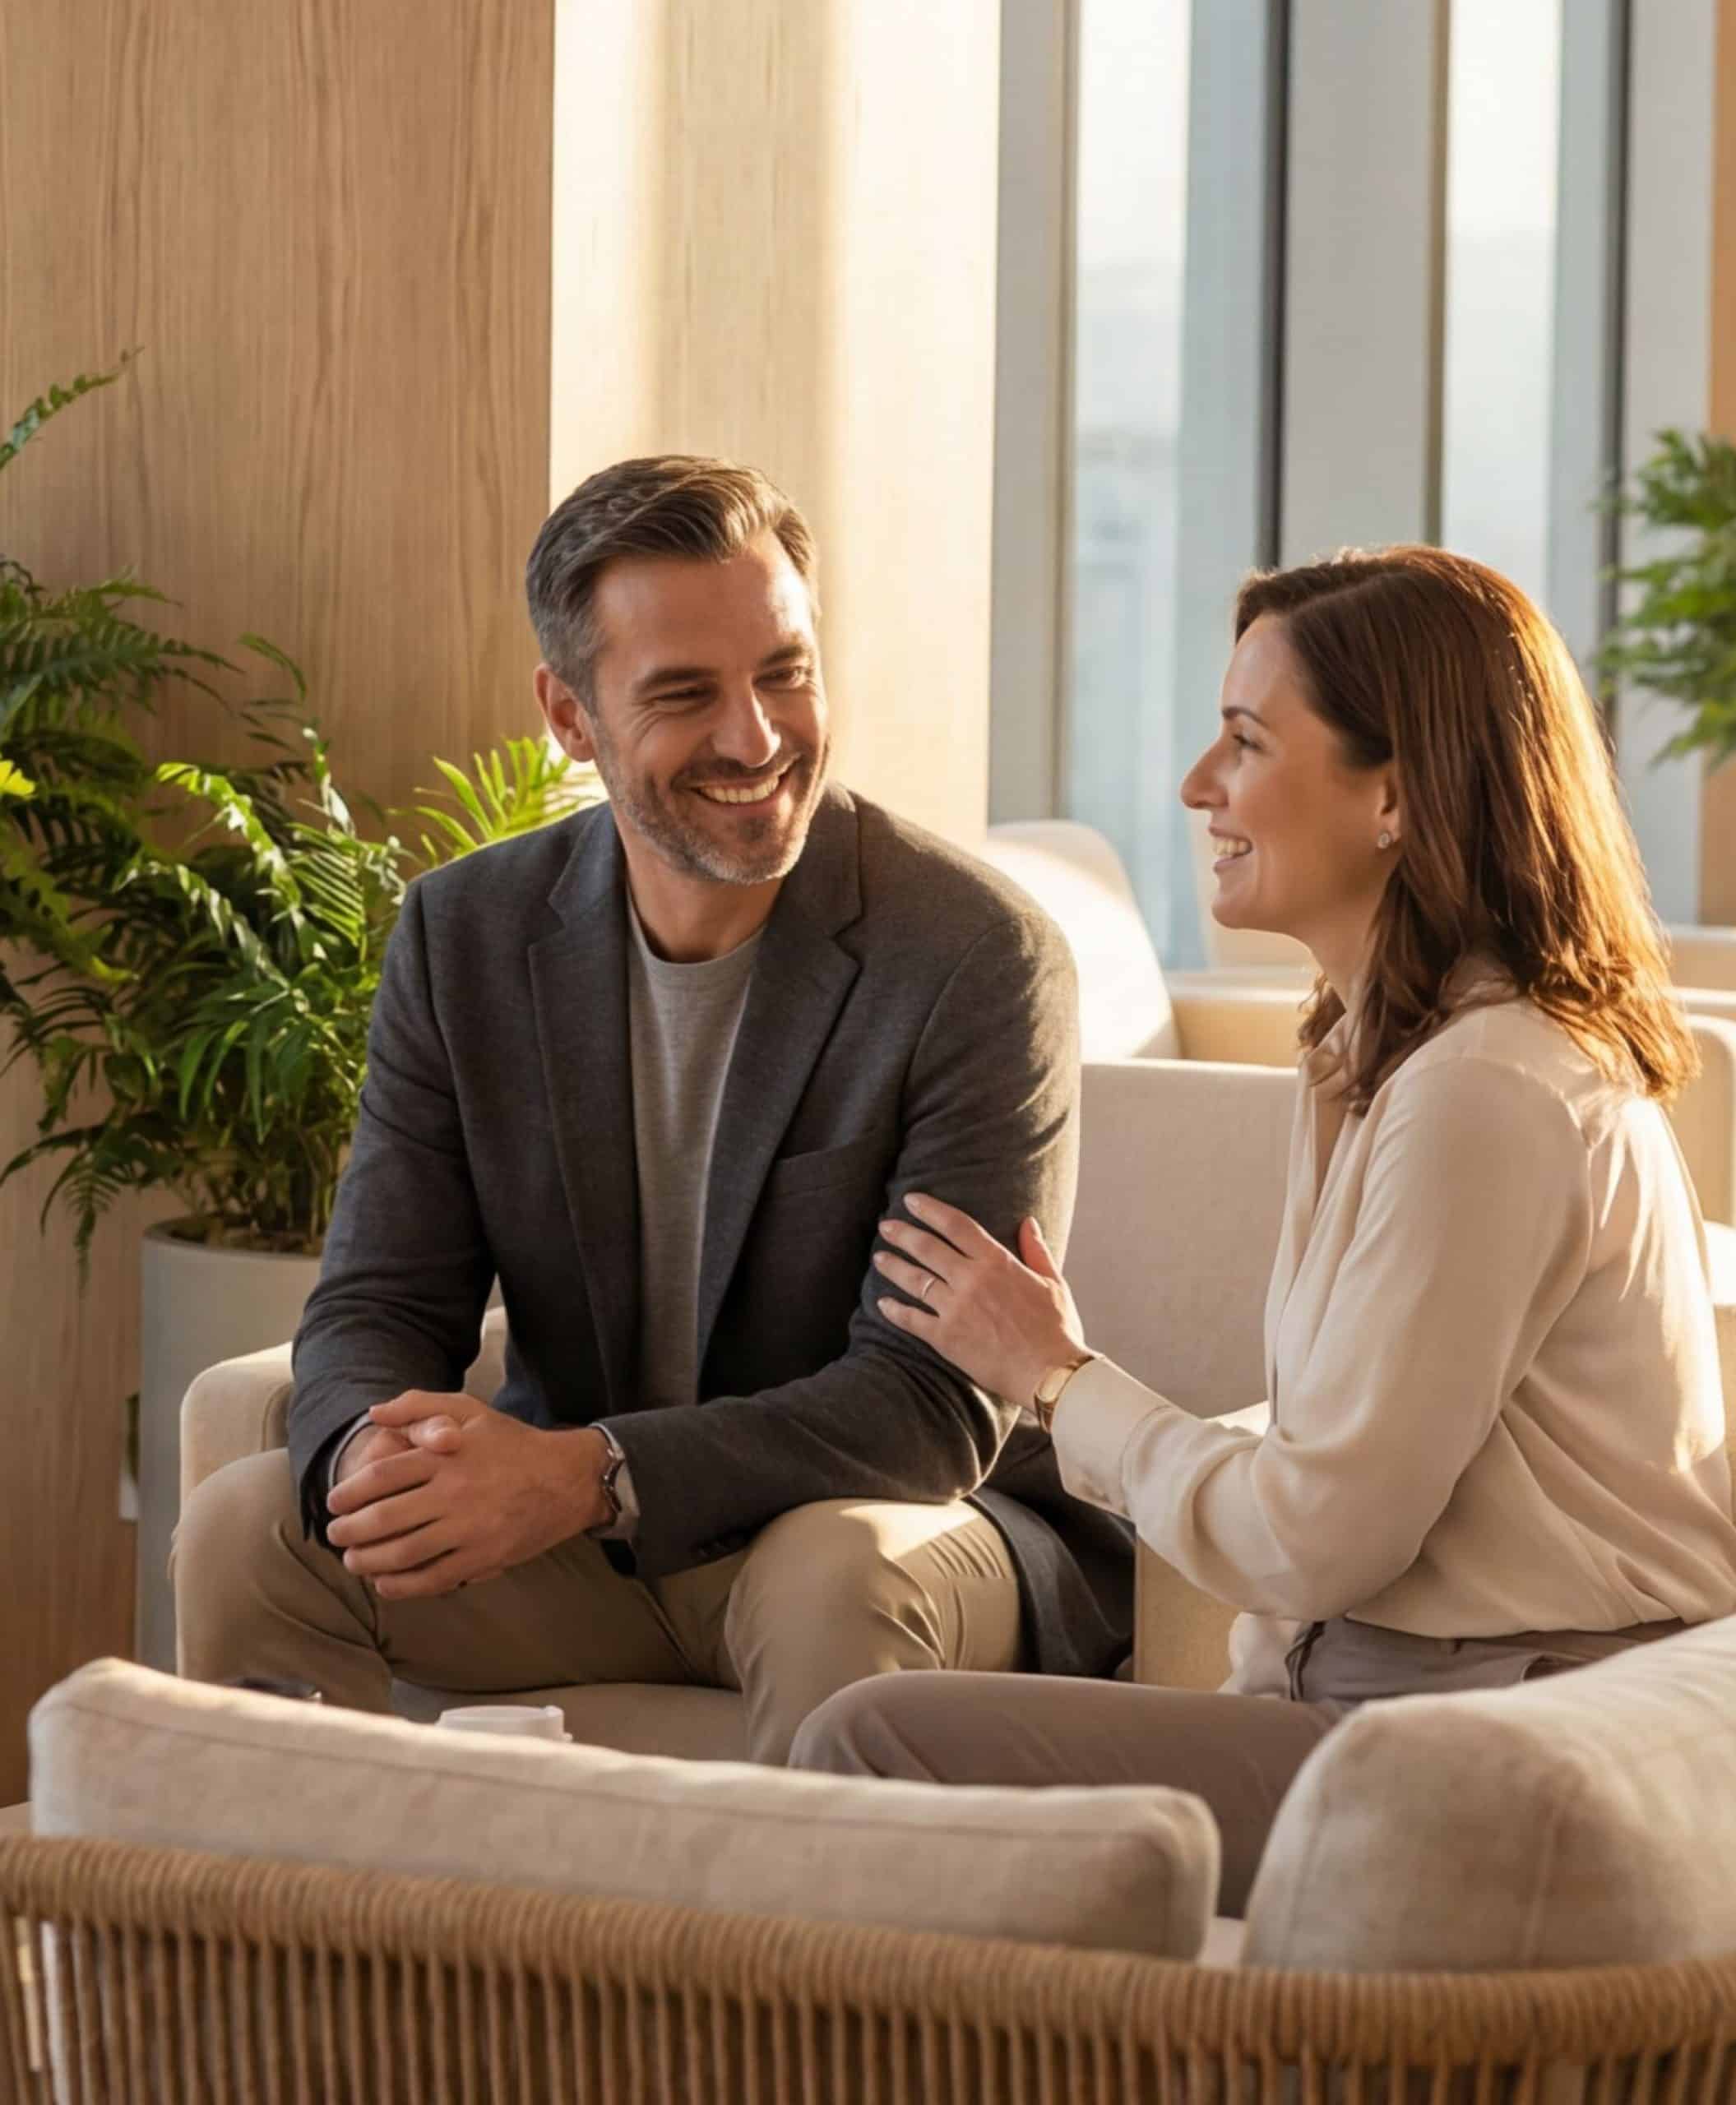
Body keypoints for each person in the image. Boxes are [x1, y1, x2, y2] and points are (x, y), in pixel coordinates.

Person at [790, 545, 1736, 1908]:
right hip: (1391, 1711)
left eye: (1244, 741)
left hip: (1477, 1750)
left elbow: (1318, 1537)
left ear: (1397, 794)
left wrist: (1059, 1380)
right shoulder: (1381, 1054)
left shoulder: (1486, 1092)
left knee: (874, 1741)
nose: (1195, 787)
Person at [174, 455, 1133, 1764]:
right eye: (686, 694)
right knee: (247, 1532)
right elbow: (382, 1298)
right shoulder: (466, 933)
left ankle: (786, 1979)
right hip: (588, 1549)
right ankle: (332, 1964)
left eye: (784, 672)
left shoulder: (971, 957)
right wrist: (367, 1460)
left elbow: (932, 1404)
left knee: (826, 1581)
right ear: (569, 715)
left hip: (887, 1520)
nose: (756, 736)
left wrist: (587, 1472)